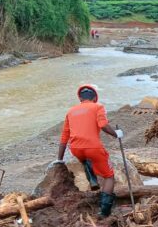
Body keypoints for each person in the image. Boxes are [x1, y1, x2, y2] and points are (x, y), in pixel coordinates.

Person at [52, 85, 123, 218]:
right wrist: (116, 134)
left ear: (80, 98)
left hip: (76, 149)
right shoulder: (98, 107)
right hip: (93, 147)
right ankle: (104, 211)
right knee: (109, 176)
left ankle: (93, 180)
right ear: (95, 97)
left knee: (85, 158)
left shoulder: (71, 111)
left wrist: (60, 159)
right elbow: (103, 125)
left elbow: (64, 136)